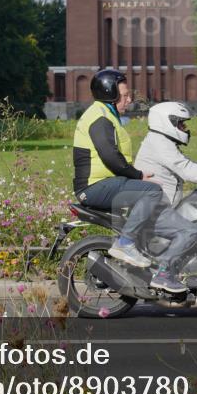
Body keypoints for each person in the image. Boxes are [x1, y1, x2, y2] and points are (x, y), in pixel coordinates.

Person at [134, 102, 197, 293]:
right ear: (166, 122)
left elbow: (186, 164)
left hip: (161, 204)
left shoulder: (161, 142)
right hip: (156, 208)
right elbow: (185, 169)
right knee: (190, 231)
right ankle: (163, 274)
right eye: (181, 124)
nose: (185, 128)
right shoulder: (159, 143)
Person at [73, 69, 162, 269]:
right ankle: (125, 244)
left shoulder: (105, 114)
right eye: (124, 96)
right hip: (94, 187)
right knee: (153, 192)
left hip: (102, 184)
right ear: (109, 96)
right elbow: (111, 157)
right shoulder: (100, 118)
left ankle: (138, 255)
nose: (129, 99)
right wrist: (138, 176)